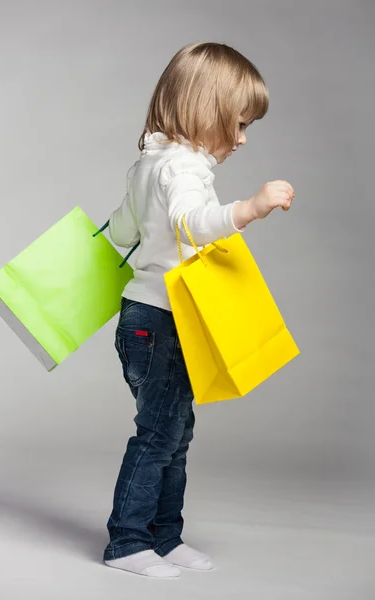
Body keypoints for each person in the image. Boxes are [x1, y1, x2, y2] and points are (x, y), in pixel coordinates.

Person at [103, 41, 295, 578]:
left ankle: (165, 536)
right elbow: (194, 222)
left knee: (173, 430)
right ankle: (128, 542)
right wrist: (249, 209)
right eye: (236, 123)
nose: (241, 138)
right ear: (202, 109)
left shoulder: (149, 162)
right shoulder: (183, 168)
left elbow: (120, 231)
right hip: (164, 321)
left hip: (142, 318)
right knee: (161, 435)